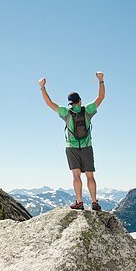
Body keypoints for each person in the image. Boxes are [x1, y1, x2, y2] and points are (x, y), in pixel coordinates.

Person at [38, 72, 105, 211]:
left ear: (70, 102)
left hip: (71, 148)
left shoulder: (66, 112)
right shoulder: (87, 110)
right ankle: (94, 203)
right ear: (80, 100)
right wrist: (101, 80)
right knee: (90, 176)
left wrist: (42, 87)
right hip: (87, 146)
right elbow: (101, 97)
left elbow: (49, 103)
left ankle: (79, 203)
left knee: (76, 175)